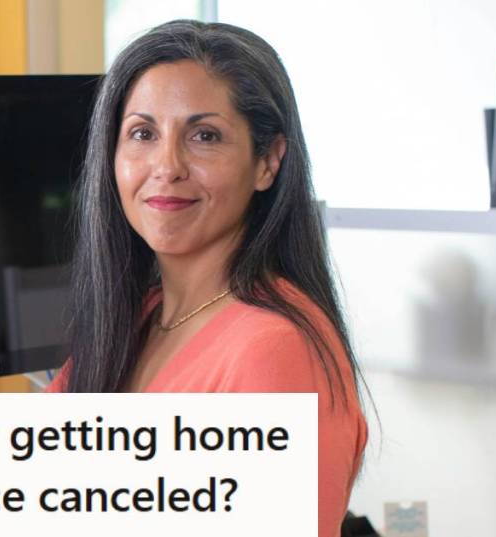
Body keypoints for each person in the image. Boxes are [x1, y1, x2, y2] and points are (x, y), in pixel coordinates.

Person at [44, 20, 369, 536]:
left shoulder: (276, 351)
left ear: (267, 161)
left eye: (204, 136)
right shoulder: (133, 320)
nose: (166, 166)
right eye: (143, 133)